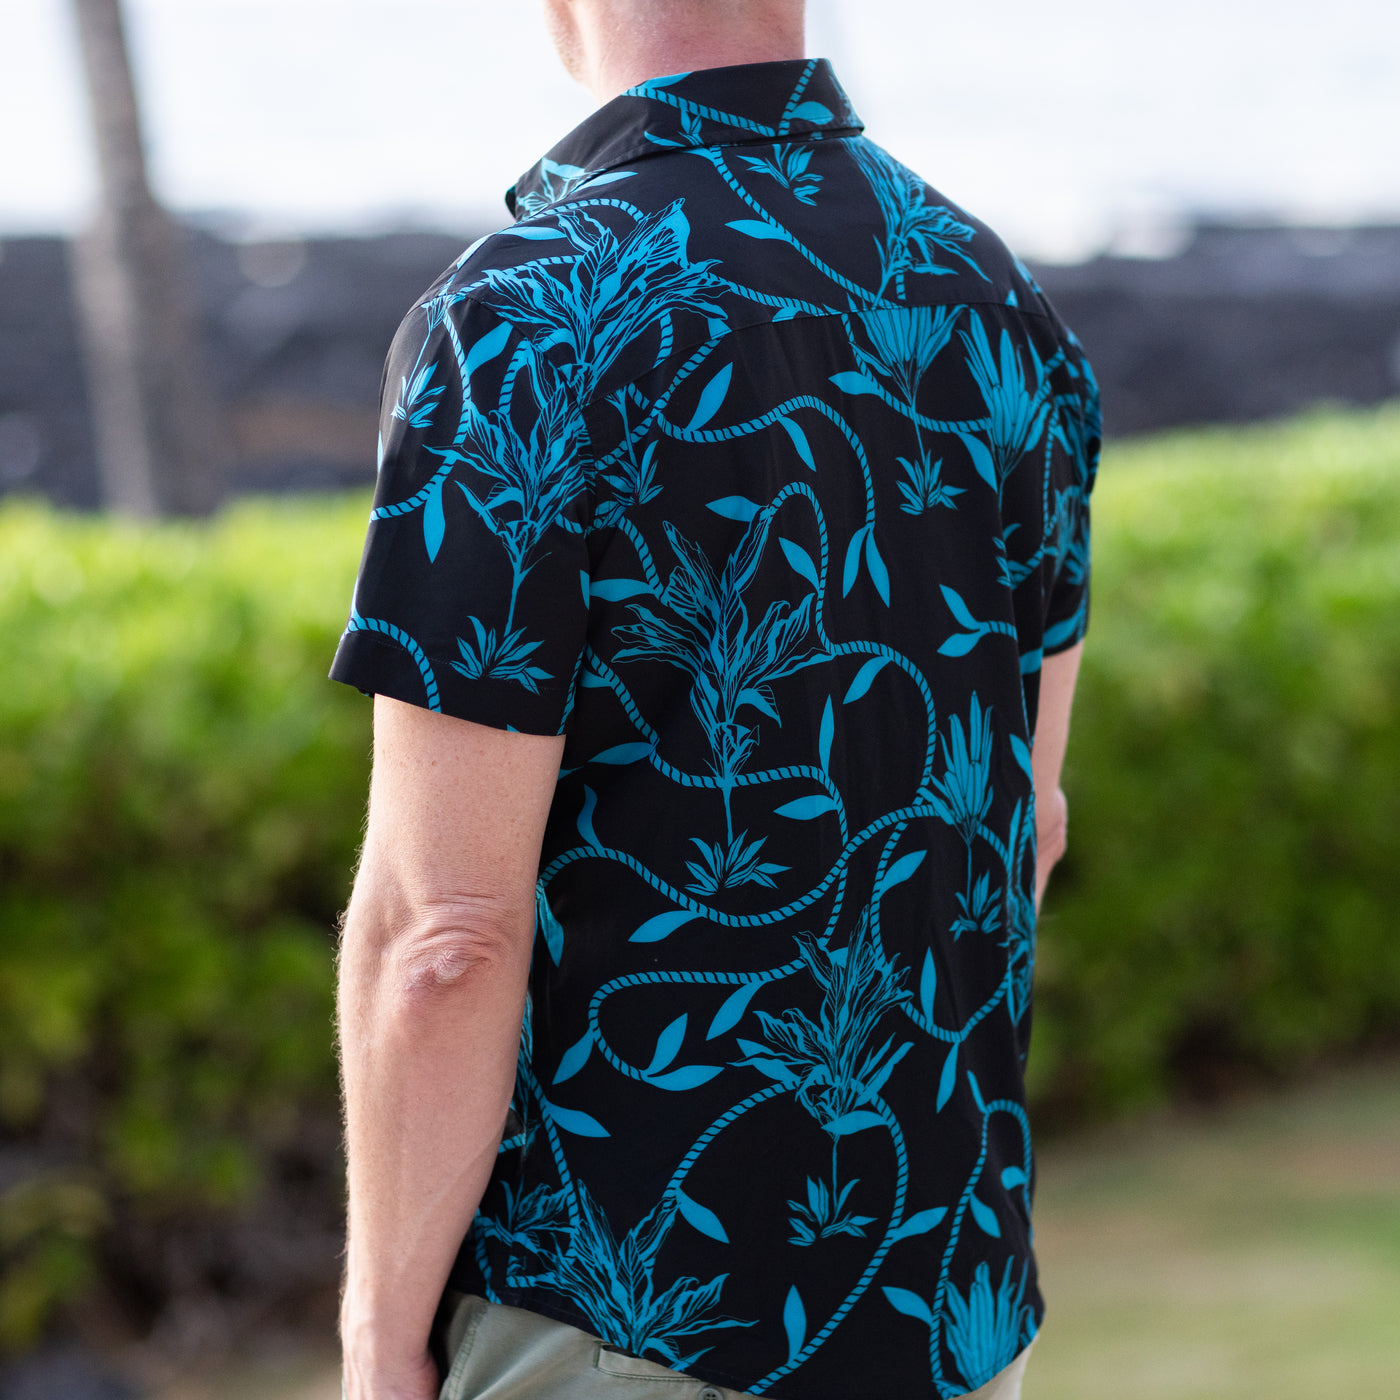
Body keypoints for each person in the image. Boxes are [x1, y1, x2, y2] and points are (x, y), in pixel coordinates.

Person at [330, 2, 1099, 1398]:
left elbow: (444, 935)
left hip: (625, 1318)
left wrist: (379, 1335)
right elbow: (1022, 831)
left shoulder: (524, 323)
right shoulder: (997, 301)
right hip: (950, 1306)